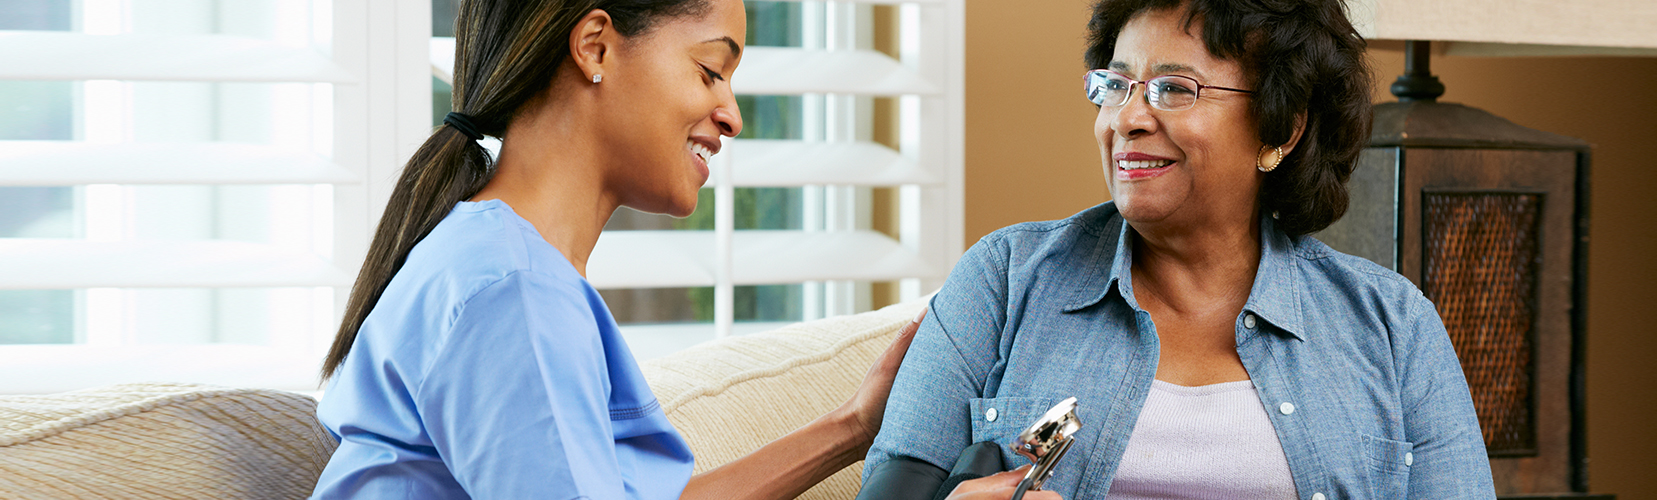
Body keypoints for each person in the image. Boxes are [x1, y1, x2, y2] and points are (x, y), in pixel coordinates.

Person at [308, 1, 1058, 499]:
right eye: (711, 70)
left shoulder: (512, 269)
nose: (730, 114)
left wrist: (852, 427)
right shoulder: (511, 292)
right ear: (595, 47)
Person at [860, 0, 1497, 498]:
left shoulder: (1394, 326)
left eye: (1174, 89)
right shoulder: (1004, 278)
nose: (1126, 119)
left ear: (1282, 128)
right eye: (1114, 84)